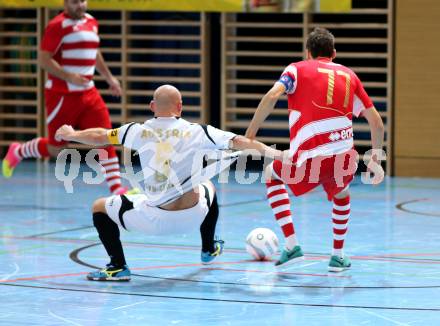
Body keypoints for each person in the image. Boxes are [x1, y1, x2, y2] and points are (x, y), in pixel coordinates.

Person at [55, 84, 283, 281]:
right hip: (194, 215)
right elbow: (241, 142)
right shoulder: (199, 131)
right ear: (180, 106)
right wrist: (278, 154)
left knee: (99, 207)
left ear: (152, 106)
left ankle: (117, 267)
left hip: (154, 220)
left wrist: (72, 133)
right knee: (209, 186)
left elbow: (99, 136)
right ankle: (208, 248)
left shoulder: (136, 131)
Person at [245, 28, 385, 272]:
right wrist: (376, 160)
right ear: (333, 53)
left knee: (271, 173)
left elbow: (272, 95)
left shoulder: (296, 69)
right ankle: (338, 256)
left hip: (310, 159)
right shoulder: (349, 76)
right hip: (344, 159)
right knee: (341, 193)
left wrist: (250, 134)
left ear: (307, 52)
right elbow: (377, 123)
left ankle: (291, 245)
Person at [2, 0, 127, 195]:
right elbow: (43, 60)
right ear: (65, 3)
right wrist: (69, 76)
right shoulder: (57, 25)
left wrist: (110, 78)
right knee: (56, 149)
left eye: (83, 1)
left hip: (89, 93)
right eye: (75, 2)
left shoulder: (92, 21)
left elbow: (94, 52)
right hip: (62, 95)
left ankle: (117, 189)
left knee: (105, 137)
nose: (80, 5)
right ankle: (18, 151)